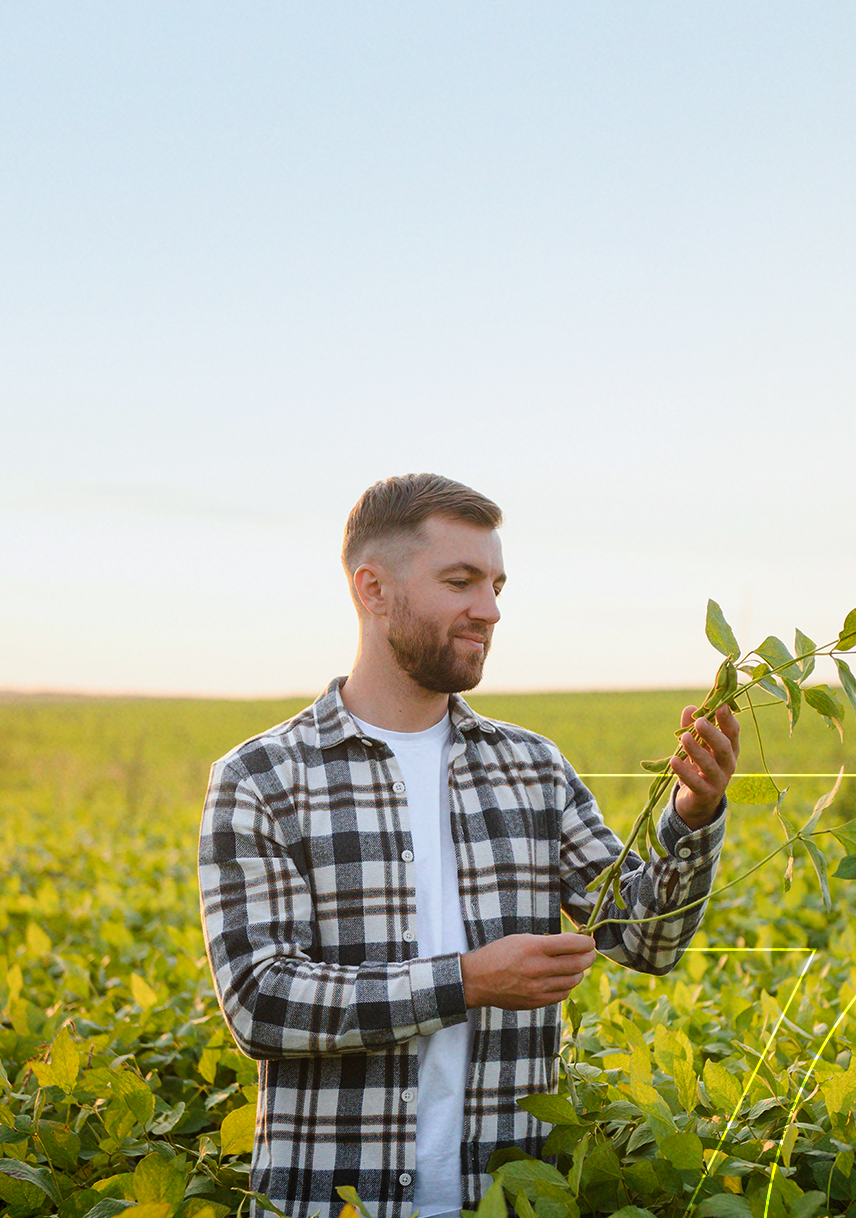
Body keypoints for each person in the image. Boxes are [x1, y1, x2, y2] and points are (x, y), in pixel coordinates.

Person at [198, 473, 739, 1218]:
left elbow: (646, 939)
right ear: (373, 588)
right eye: (460, 581)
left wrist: (693, 811)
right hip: (330, 1200)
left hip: (508, 1199)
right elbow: (261, 1003)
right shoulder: (263, 777)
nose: (489, 609)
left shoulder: (532, 768)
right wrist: (468, 981)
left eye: (496, 585)